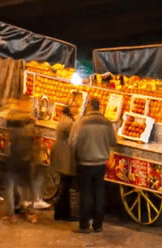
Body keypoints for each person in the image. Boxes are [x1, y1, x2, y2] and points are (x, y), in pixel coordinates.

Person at [70, 98, 116, 233]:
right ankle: (98, 225)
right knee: (99, 193)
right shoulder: (107, 123)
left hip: (85, 162)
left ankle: (84, 225)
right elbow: (113, 141)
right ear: (100, 107)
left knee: (85, 193)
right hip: (101, 163)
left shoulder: (80, 122)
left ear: (89, 107)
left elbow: (74, 143)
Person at [3, 103, 37, 219]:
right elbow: (34, 144)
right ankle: (28, 210)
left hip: (14, 161)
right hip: (26, 161)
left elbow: (8, 146)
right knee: (26, 186)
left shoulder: (14, 131)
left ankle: (13, 212)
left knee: (11, 186)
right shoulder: (29, 129)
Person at [49, 103, 77, 222]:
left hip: (61, 154)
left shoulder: (64, 120)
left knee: (64, 184)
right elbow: (73, 139)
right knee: (65, 185)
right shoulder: (69, 123)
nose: (77, 109)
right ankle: (62, 213)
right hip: (65, 156)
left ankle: (60, 212)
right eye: (75, 107)